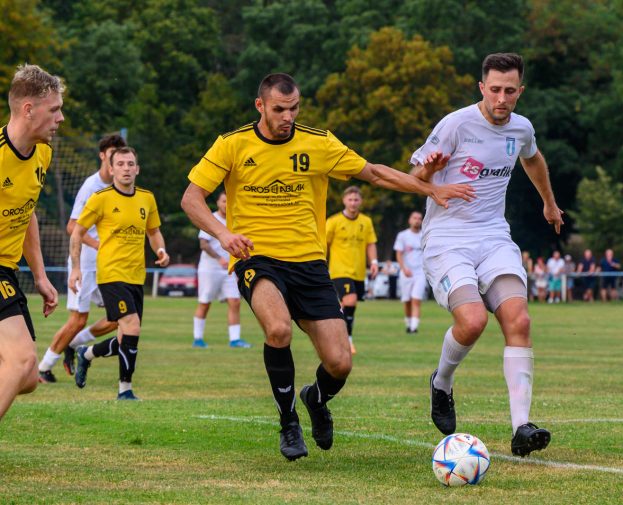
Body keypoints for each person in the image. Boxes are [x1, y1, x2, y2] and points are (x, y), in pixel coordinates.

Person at [180, 73, 475, 461]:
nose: (288, 116)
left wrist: (430, 188)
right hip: (257, 257)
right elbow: (191, 198)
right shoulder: (232, 145)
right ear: (260, 106)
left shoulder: (319, 143)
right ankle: (289, 422)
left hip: (310, 264)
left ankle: (315, 400)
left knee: (339, 362)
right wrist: (223, 233)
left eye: (294, 108)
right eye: (279, 109)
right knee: (279, 328)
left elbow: (375, 173)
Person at [410, 53, 562, 457]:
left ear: (520, 91)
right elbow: (412, 178)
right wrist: (430, 176)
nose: (502, 98)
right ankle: (441, 382)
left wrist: (549, 203)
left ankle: (521, 428)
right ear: (482, 88)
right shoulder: (455, 124)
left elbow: (532, 158)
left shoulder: (521, 128)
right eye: (494, 89)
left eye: (510, 91)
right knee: (473, 321)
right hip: (447, 238)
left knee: (519, 318)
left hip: (494, 236)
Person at [69, 147, 170, 400]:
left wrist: (161, 250)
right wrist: (77, 268)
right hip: (111, 274)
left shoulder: (147, 198)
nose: (126, 168)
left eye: (131, 164)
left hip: (136, 275)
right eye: (121, 164)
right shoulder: (100, 198)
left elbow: (153, 231)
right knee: (132, 327)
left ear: (138, 169)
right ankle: (125, 390)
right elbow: (77, 232)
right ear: (111, 169)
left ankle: (87, 353)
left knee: (126, 336)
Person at [0, 64, 62, 420]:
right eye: (54, 109)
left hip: (8, 271)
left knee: (26, 377)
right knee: (22, 359)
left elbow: (28, 213)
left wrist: (39, 275)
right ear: (28, 109)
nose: (61, 118)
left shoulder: (43, 153)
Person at [38, 134, 125, 383]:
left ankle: (73, 344)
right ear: (102, 156)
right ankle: (43, 368)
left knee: (119, 317)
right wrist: (99, 244)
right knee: (78, 319)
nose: (116, 159)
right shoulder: (91, 186)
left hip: (107, 264)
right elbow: (72, 226)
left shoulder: (120, 188)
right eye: (111, 154)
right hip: (85, 263)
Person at [192, 191, 250, 349]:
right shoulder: (211, 218)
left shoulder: (235, 220)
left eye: (228, 201)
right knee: (205, 303)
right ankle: (197, 339)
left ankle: (235, 339)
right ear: (218, 203)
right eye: (224, 201)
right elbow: (203, 244)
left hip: (229, 269)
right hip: (210, 269)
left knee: (235, 301)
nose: (226, 204)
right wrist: (219, 258)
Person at [325, 186, 378, 354]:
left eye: (356, 200)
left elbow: (370, 244)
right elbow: (324, 245)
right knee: (350, 300)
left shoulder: (366, 222)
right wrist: (321, 265)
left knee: (345, 306)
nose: (353, 203)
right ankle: (347, 341)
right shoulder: (333, 221)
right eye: (350, 199)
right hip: (339, 270)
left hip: (358, 272)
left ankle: (332, 333)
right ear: (344, 201)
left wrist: (374, 262)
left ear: (361, 201)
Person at [394, 210, 425, 333]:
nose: (417, 220)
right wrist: (404, 268)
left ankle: (414, 327)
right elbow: (399, 254)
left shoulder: (425, 235)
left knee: (416, 299)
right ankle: (408, 322)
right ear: (409, 220)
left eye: (419, 218)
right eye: (414, 218)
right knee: (407, 300)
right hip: (406, 271)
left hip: (420, 272)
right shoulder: (403, 235)